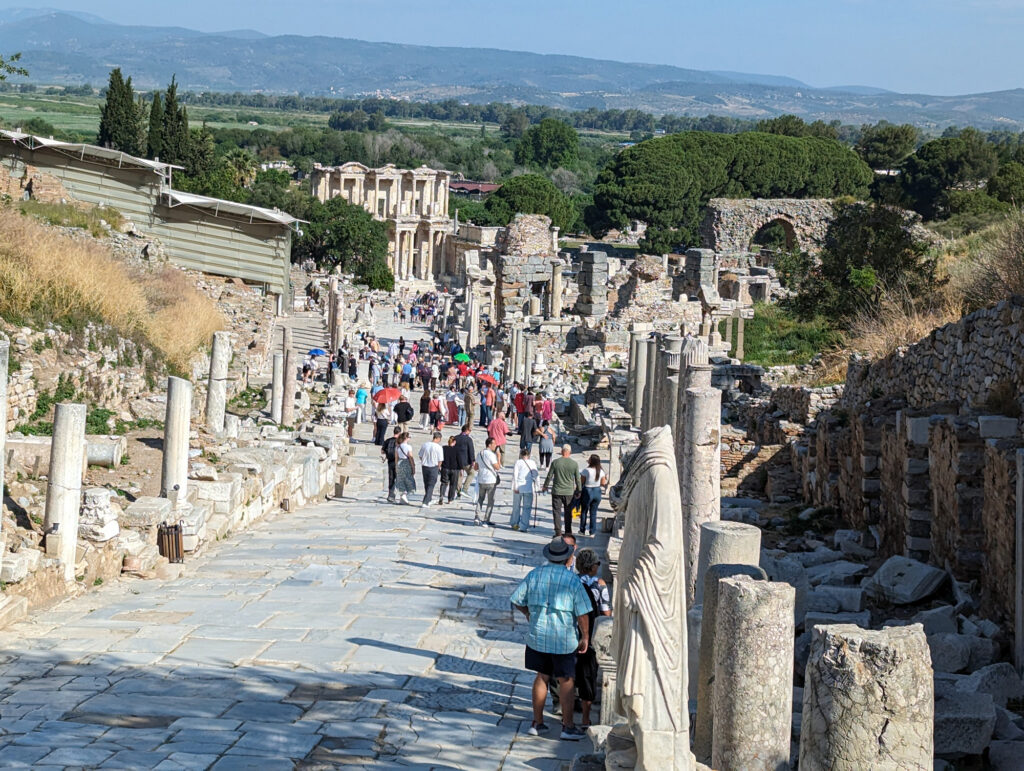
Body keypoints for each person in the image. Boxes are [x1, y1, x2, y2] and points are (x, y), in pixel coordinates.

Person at [510, 539, 592, 741]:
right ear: (567, 558)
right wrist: (585, 636)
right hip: (563, 639)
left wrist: (529, 614)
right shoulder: (572, 581)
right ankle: (568, 726)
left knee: (542, 676)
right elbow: (583, 613)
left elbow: (516, 599)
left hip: (538, 636)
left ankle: (537, 723)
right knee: (566, 680)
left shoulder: (535, 574)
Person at [574, 548, 612, 728]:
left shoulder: (572, 581)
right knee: (588, 674)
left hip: (571, 630)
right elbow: (605, 611)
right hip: (591, 631)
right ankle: (585, 718)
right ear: (592, 567)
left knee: (571, 671)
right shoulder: (599, 584)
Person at [542, 445, 580, 537]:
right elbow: (577, 479)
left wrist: (545, 486)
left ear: (562, 451)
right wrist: (579, 490)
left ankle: (558, 532)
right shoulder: (574, 464)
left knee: (557, 512)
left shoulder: (555, 462)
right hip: (569, 492)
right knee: (568, 512)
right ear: (570, 452)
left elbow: (549, 476)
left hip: (557, 491)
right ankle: (568, 531)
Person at [473, 437, 501, 527]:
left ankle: (477, 517)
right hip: (491, 480)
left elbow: (475, 467)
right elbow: (497, 467)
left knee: (480, 498)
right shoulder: (491, 455)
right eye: (494, 443)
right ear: (489, 444)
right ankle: (486, 519)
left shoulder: (480, 453)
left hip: (481, 479)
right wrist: (499, 458)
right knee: (490, 500)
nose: (495, 445)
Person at [579, 455, 609, 536]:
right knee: (593, 513)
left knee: (584, 511)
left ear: (591, 461)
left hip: (587, 490)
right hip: (597, 491)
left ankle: (582, 530)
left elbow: (581, 481)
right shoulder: (601, 471)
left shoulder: (586, 470)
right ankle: (592, 531)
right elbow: (603, 483)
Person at [511, 447, 539, 532]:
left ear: (521, 455)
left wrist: (514, 486)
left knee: (516, 506)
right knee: (527, 508)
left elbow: (515, 475)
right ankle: (523, 526)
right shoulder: (532, 463)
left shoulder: (518, 462)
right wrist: (537, 487)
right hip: (528, 487)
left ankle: (515, 523)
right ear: (529, 455)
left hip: (518, 487)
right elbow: (536, 475)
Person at [419, 431, 444, 508]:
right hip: (433, 467)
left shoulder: (425, 445)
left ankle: (428, 499)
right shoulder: (438, 447)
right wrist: (438, 467)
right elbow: (440, 460)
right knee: (431, 484)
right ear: (438, 438)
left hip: (425, 466)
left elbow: (420, 455)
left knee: (426, 484)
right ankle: (425, 502)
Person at [454, 424, 476, 498]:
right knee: (471, 473)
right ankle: (465, 489)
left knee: (459, 476)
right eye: (469, 430)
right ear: (466, 430)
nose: (470, 432)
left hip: (457, 461)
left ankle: (458, 493)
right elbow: (471, 451)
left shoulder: (455, 438)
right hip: (466, 461)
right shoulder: (468, 439)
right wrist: (473, 460)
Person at [394, 431, 416, 505]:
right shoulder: (408, 447)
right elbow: (410, 457)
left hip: (400, 463)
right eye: (409, 437)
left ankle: (402, 496)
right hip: (406, 464)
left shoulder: (398, 447)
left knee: (401, 480)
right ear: (406, 438)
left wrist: (396, 466)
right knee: (408, 479)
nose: (410, 438)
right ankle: (404, 496)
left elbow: (396, 458)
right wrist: (413, 467)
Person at [381, 427, 401, 503]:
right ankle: (400, 495)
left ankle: (390, 494)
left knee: (391, 478)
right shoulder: (400, 441)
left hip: (390, 461)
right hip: (398, 461)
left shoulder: (387, 441)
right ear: (399, 433)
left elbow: (382, 451)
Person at [440, 435, 461, 505]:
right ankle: (450, 499)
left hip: (445, 468)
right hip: (455, 469)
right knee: (453, 484)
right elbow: (459, 460)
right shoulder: (457, 449)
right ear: (454, 442)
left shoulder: (444, 448)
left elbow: (441, 458)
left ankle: (441, 496)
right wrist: (461, 469)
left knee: (444, 483)